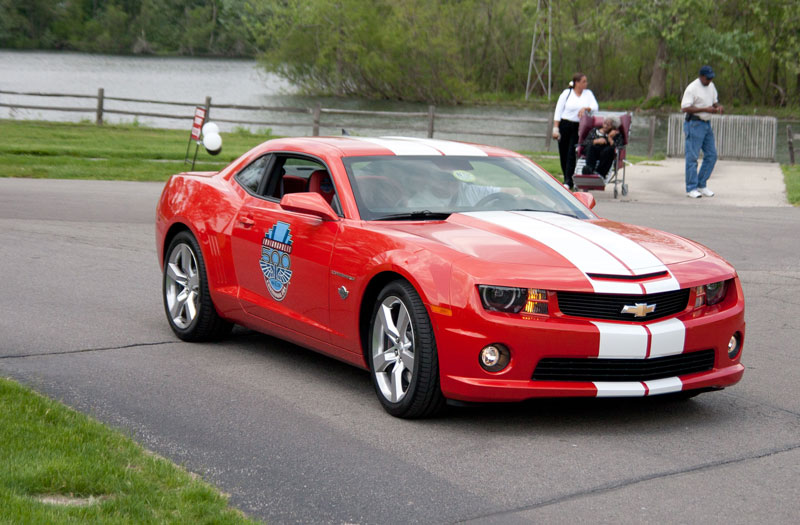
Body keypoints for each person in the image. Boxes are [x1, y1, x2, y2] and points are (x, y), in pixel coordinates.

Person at [681, 65, 723, 198]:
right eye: (707, 78)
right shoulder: (692, 88)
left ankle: (701, 184)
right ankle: (691, 188)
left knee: (711, 155)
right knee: (692, 157)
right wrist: (705, 109)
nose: (709, 80)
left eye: (711, 78)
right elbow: (685, 108)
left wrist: (718, 107)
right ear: (701, 76)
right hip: (694, 124)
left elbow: (714, 101)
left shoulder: (711, 86)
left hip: (706, 124)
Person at [552, 73, 599, 189]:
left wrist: (586, 108)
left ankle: (569, 181)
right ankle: (566, 177)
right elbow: (558, 110)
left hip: (579, 126)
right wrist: (556, 128)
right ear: (577, 83)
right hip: (565, 124)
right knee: (563, 152)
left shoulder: (588, 94)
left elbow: (595, 106)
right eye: (583, 81)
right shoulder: (566, 93)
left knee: (572, 153)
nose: (585, 84)